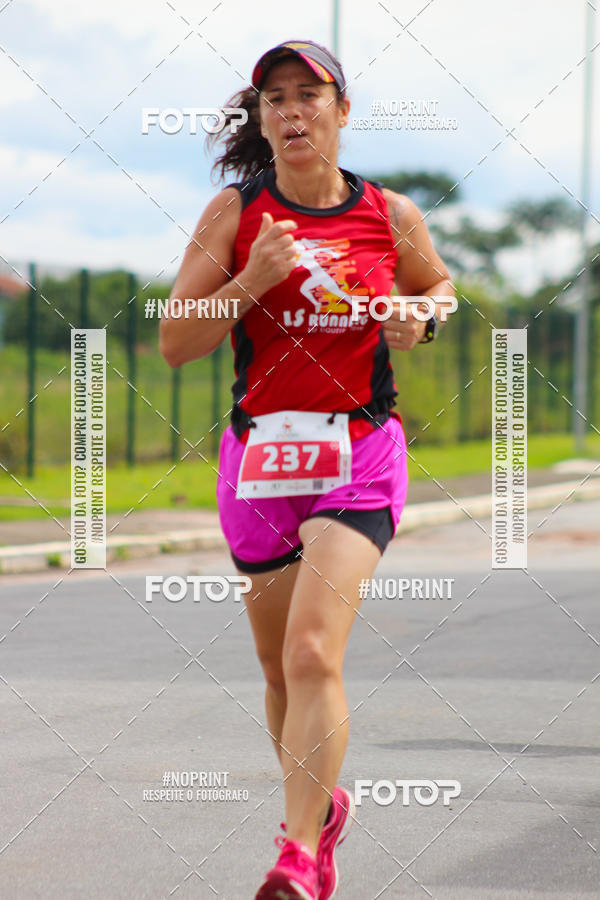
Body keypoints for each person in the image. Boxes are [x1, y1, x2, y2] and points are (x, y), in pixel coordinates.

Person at [160, 39, 455, 900]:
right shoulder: (235, 214)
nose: (291, 111)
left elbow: (439, 287)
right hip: (259, 461)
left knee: (313, 649)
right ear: (262, 119)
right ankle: (320, 814)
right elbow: (176, 340)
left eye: (308, 95)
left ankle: (295, 855)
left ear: (341, 111)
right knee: (277, 669)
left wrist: (422, 319)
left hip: (359, 452)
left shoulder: (389, 213)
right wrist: (251, 279)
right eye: (275, 99)